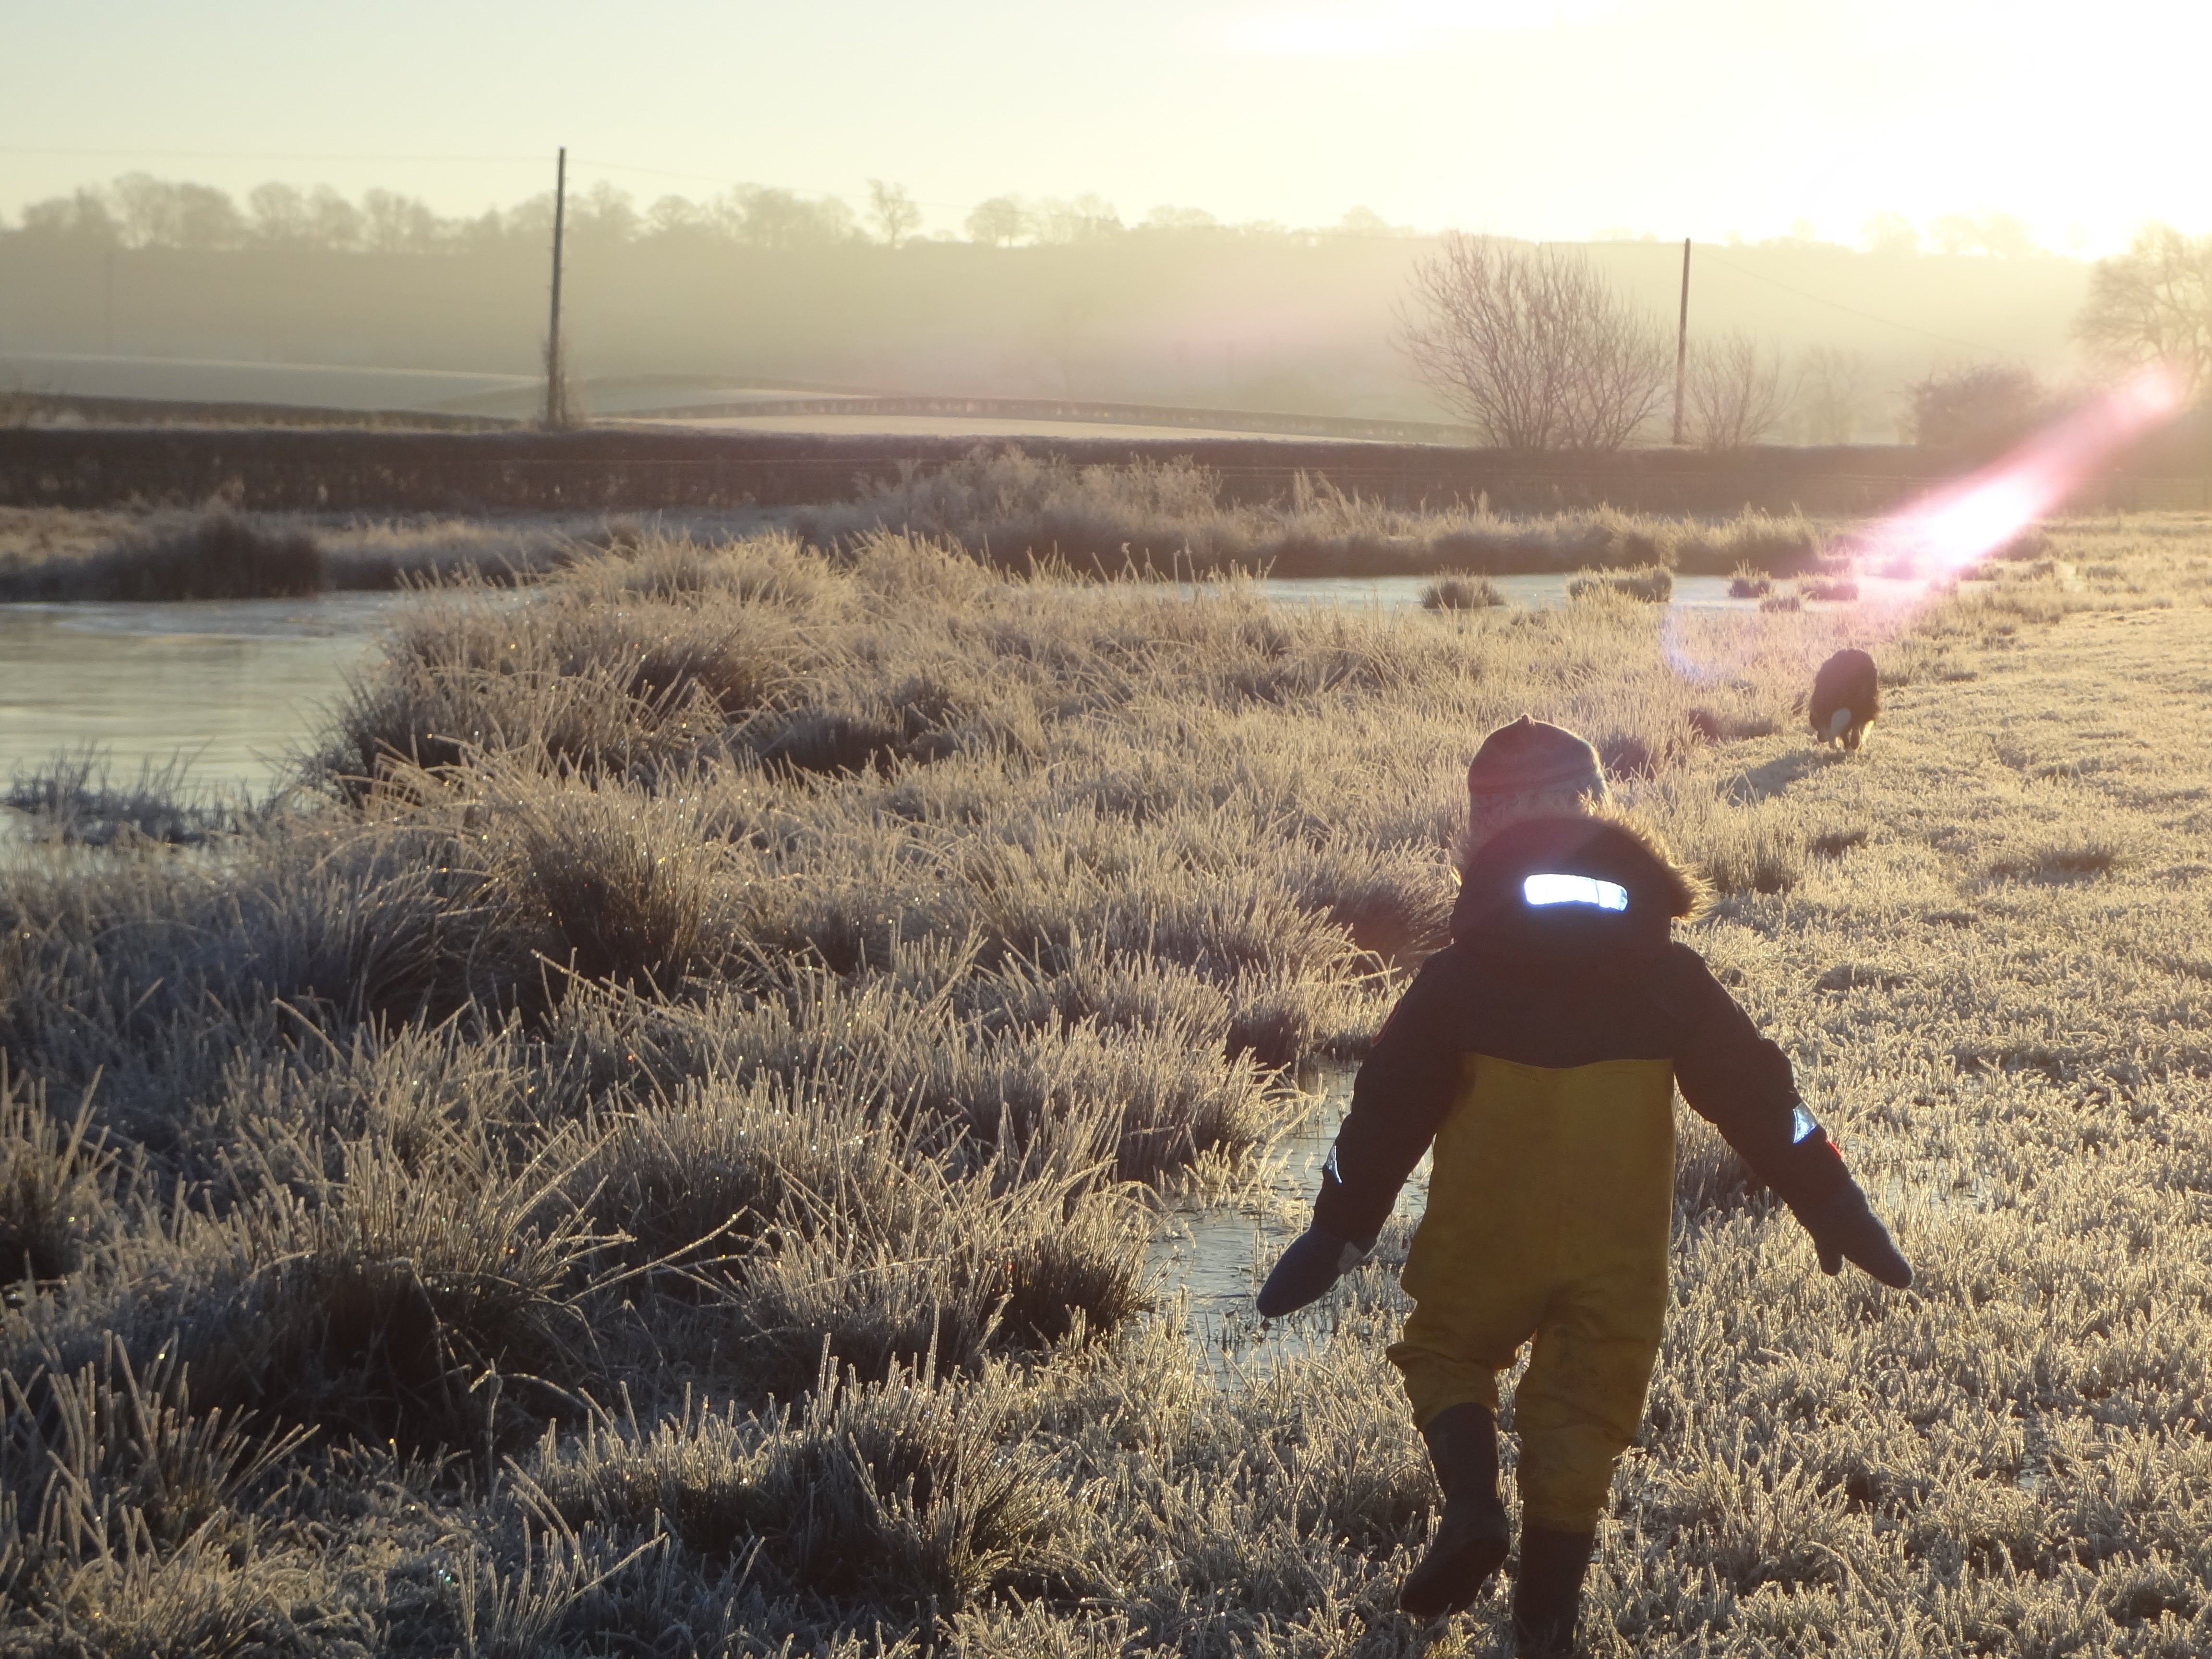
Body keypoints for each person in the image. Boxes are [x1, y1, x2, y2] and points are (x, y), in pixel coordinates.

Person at [1257, 716, 1911, 1656]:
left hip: (1487, 1235)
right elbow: (1764, 1097)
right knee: (1585, 1417)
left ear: (1481, 831)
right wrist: (1828, 1195)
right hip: (1618, 1250)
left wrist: (1336, 1225)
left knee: (1447, 1348)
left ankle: (1475, 1509)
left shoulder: (1458, 980)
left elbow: (1384, 1110)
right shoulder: (1666, 973)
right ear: (1600, 813)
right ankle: (1546, 1627)